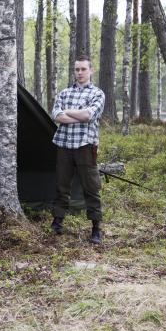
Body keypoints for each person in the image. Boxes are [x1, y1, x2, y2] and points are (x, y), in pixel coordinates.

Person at [51, 55, 105, 244]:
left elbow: (89, 115)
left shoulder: (97, 94)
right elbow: (56, 116)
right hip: (64, 145)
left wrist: (68, 113)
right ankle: (57, 222)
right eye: (77, 69)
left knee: (91, 187)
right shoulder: (64, 93)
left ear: (91, 71)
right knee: (61, 186)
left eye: (83, 69)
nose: (80, 73)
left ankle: (96, 228)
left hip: (85, 145)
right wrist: (78, 115)